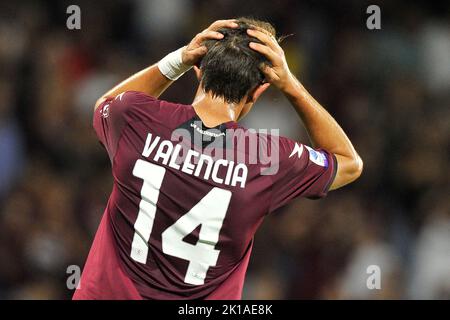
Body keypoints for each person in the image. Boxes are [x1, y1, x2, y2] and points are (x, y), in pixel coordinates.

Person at [73, 18, 363, 300]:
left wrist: (179, 59)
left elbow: (105, 105)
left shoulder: (135, 116)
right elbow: (348, 162)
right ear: (259, 90)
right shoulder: (268, 158)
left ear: (198, 71)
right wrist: (290, 85)